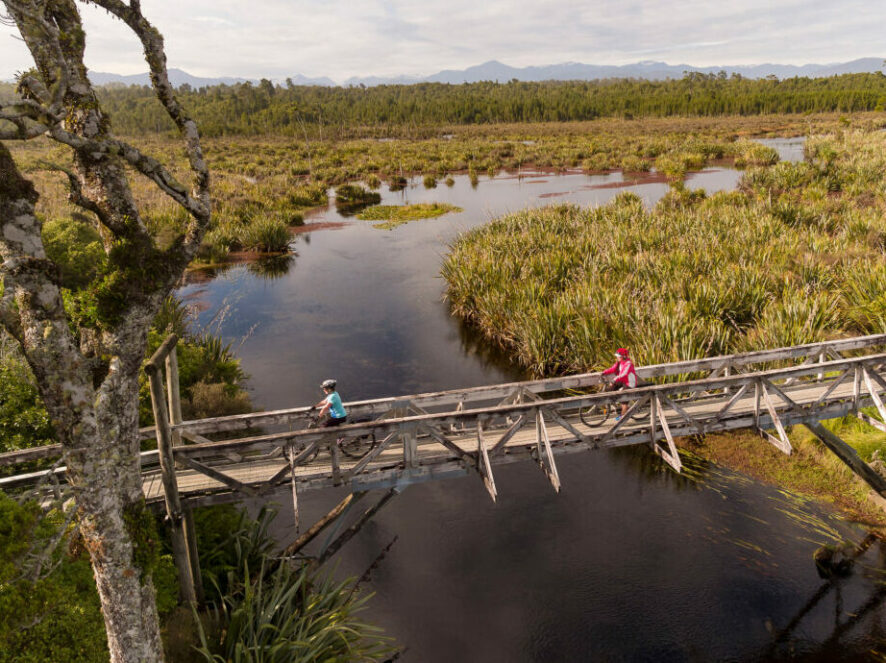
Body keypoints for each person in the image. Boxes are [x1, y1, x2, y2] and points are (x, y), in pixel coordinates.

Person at [602, 348, 638, 421]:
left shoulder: (628, 364)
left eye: (618, 356)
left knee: (624, 400)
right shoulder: (619, 362)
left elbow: (624, 374)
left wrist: (613, 380)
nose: (617, 357)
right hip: (622, 381)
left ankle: (622, 417)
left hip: (629, 383)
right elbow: (613, 369)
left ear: (624, 356)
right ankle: (615, 404)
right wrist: (604, 372)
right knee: (609, 389)